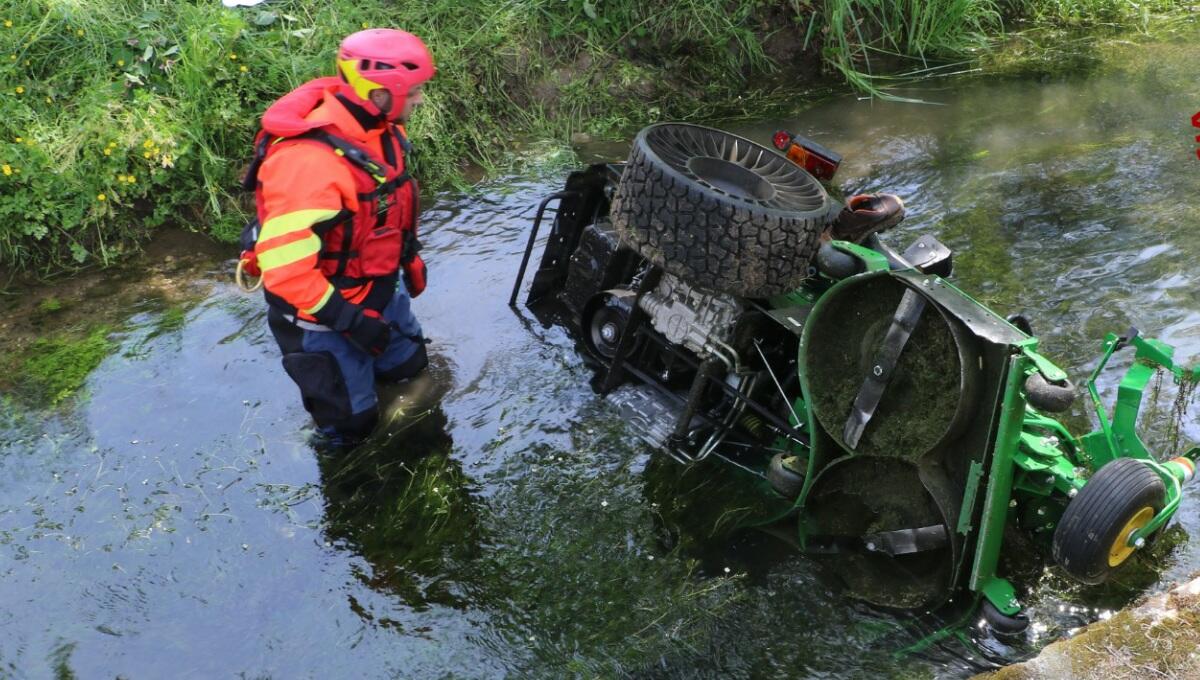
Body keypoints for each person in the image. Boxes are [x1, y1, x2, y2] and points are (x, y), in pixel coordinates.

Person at [246, 29, 435, 445]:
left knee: (413, 372)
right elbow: (287, 274)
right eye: (416, 91)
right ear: (381, 91)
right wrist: (352, 323)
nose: (420, 99)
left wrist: (403, 268)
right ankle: (355, 492)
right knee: (351, 431)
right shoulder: (308, 163)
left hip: (378, 292)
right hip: (323, 320)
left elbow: (382, 213)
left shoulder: (379, 128)